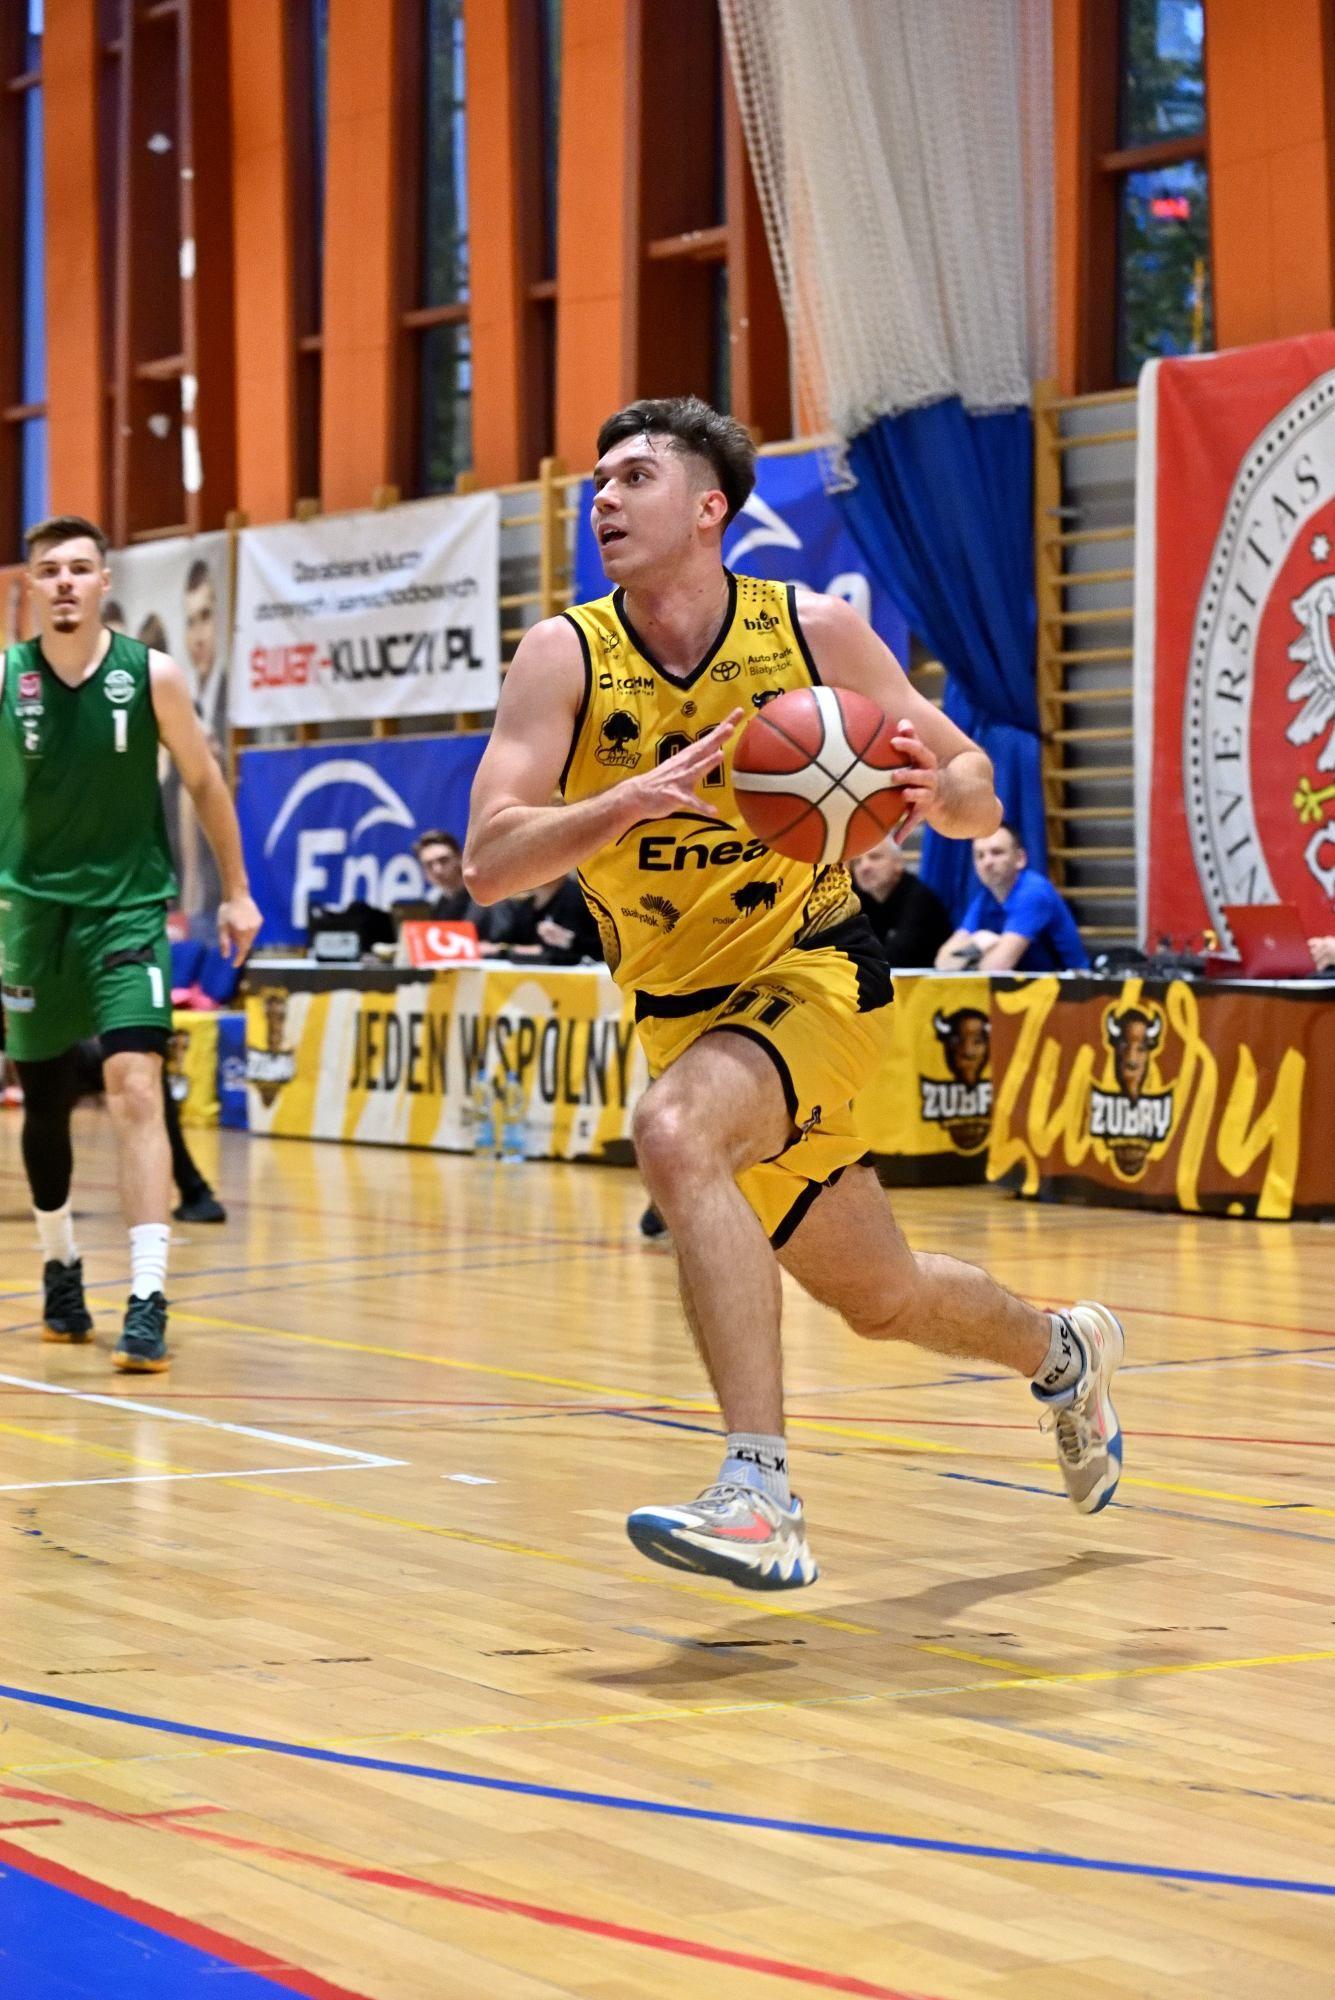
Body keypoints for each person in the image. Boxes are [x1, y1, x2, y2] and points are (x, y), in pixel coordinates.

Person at [464, 396, 1124, 1591]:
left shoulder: (811, 633)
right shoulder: (563, 656)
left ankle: (759, 1493)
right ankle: (1062, 1352)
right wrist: (623, 801)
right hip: (683, 1010)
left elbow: (971, 781)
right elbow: (489, 861)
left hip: (815, 966)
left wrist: (949, 793)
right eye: (597, 481)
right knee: (884, 1295)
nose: (602, 497)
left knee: (674, 1131)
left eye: (634, 476)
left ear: (708, 508)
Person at [0, 515, 260, 1371]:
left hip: (128, 910)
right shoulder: (6, 680)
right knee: (44, 1102)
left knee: (135, 1085)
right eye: (50, 570)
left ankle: (147, 1296)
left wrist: (237, 892)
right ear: (30, 586)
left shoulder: (151, 675)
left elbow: (203, 780)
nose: (65, 582)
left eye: (80, 568)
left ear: (104, 582)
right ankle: (59, 1264)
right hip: (31, 915)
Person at [936, 823, 1089, 973]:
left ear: (1020, 859)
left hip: (1071, 986)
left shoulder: (1033, 891)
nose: (987, 862)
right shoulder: (984, 898)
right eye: (979, 856)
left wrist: (970, 956)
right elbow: (943, 962)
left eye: (997, 852)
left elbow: (996, 967)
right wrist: (976, 945)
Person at [851, 834, 952, 965]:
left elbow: (898, 956)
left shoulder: (919, 898)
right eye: (857, 862)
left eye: (875, 857)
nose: (864, 867)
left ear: (898, 863)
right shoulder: (858, 899)